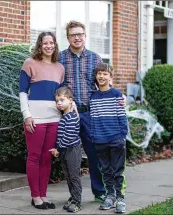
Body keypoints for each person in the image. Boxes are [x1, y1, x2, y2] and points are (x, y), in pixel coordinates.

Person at [58, 20, 126, 202]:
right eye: (73, 34)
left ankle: (100, 191)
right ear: (68, 38)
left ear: (85, 36)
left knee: (95, 154)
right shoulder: (60, 58)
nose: (77, 37)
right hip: (70, 115)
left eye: (80, 34)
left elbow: (104, 82)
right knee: (69, 156)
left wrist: (118, 96)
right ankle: (74, 195)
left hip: (90, 114)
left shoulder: (95, 59)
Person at [19, 31, 64, 210]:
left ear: (55, 45)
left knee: (47, 158)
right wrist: (26, 115)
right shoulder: (29, 63)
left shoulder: (60, 68)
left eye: (52, 43)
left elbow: (60, 95)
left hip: (54, 118)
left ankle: (43, 195)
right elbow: (23, 91)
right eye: (45, 43)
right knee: (34, 157)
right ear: (40, 45)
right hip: (35, 118)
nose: (49, 46)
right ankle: (35, 196)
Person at [90, 63, 128, 213]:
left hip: (116, 139)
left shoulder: (117, 95)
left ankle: (120, 198)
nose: (101, 76)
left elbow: (122, 117)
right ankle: (110, 196)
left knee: (118, 170)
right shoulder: (93, 97)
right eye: (99, 73)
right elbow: (93, 119)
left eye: (105, 73)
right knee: (105, 170)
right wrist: (93, 135)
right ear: (96, 77)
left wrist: (121, 136)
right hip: (99, 140)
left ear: (111, 77)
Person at [49, 86, 82, 213]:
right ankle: (73, 197)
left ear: (70, 100)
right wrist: (57, 148)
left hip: (72, 150)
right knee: (68, 176)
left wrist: (58, 149)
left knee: (74, 177)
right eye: (57, 101)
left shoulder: (71, 116)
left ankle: (77, 202)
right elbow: (61, 136)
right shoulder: (64, 116)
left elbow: (68, 136)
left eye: (62, 100)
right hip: (64, 150)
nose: (59, 103)